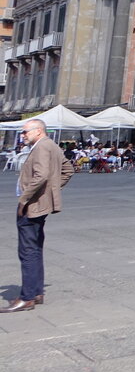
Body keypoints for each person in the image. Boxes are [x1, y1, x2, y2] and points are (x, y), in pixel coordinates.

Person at [2, 119, 74, 312]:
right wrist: (51, 191)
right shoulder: (51, 145)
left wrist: (25, 199)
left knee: (27, 251)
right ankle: (35, 292)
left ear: (38, 131)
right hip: (39, 204)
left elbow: (41, 175)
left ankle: (27, 298)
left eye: (25, 132)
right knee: (34, 248)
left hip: (32, 206)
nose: (22, 135)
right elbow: (68, 170)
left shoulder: (42, 147)